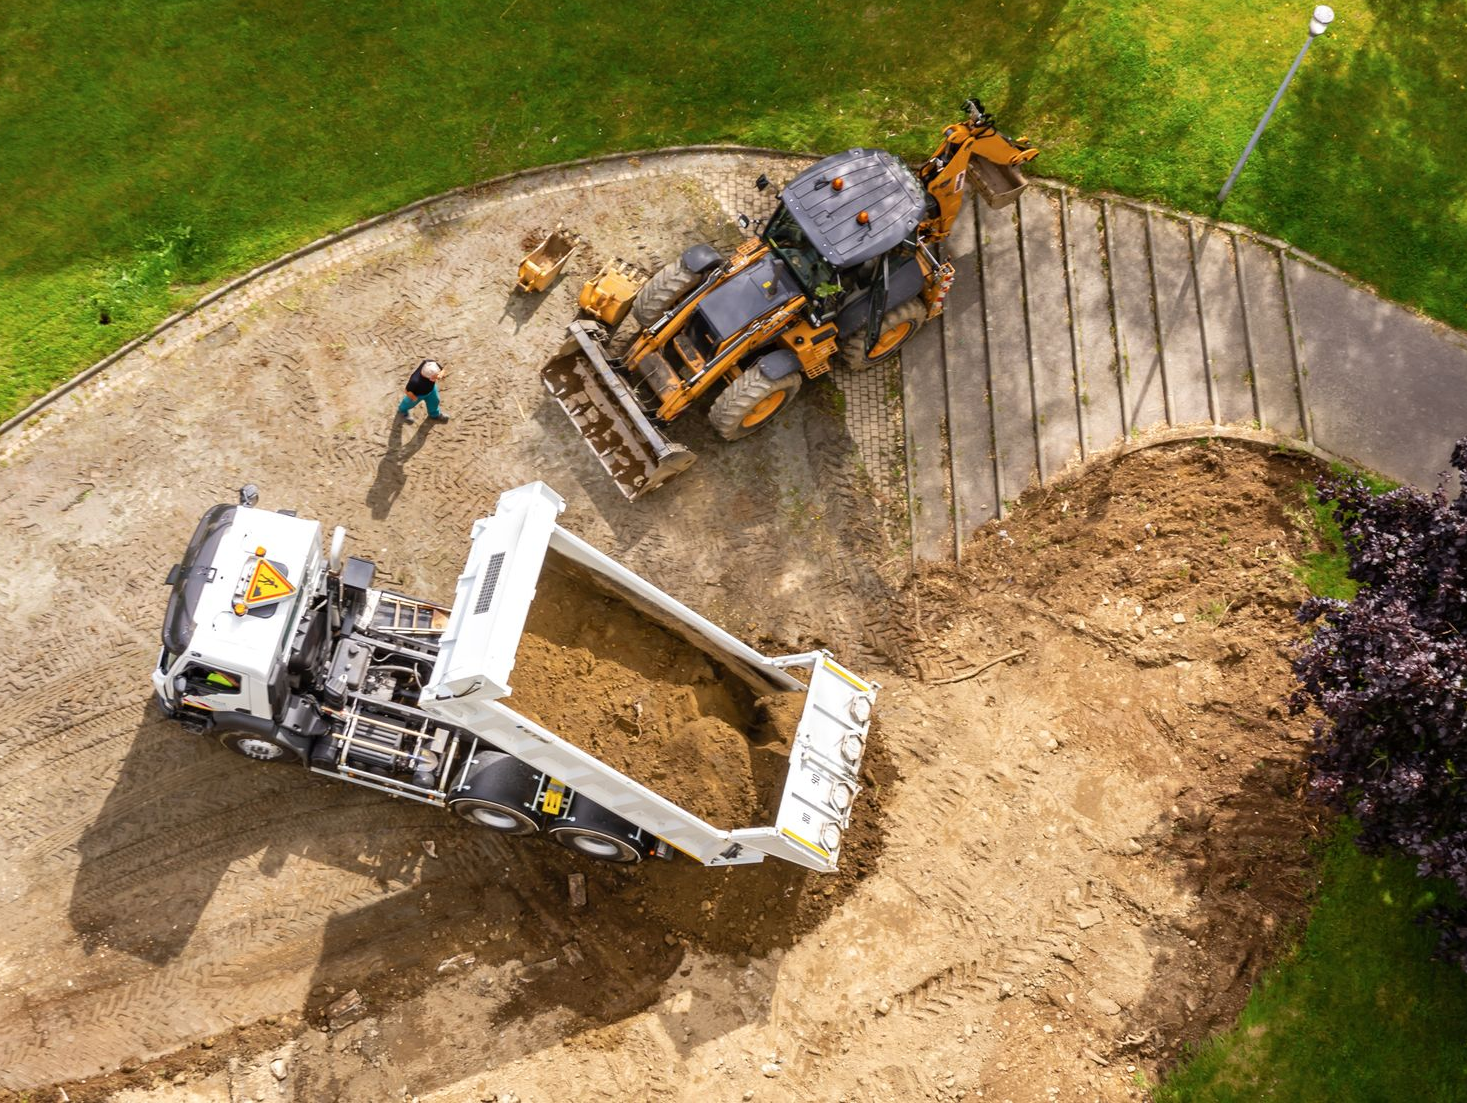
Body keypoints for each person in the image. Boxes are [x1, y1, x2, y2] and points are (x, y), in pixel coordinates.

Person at [397, 359, 449, 423]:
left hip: (431, 390)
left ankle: (434, 414)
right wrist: (414, 398)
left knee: (435, 401)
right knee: (408, 403)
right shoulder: (414, 381)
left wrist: (440, 374)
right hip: (417, 394)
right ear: (428, 377)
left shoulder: (430, 364)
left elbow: (442, 369)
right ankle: (402, 411)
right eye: (435, 378)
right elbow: (407, 391)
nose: (437, 379)